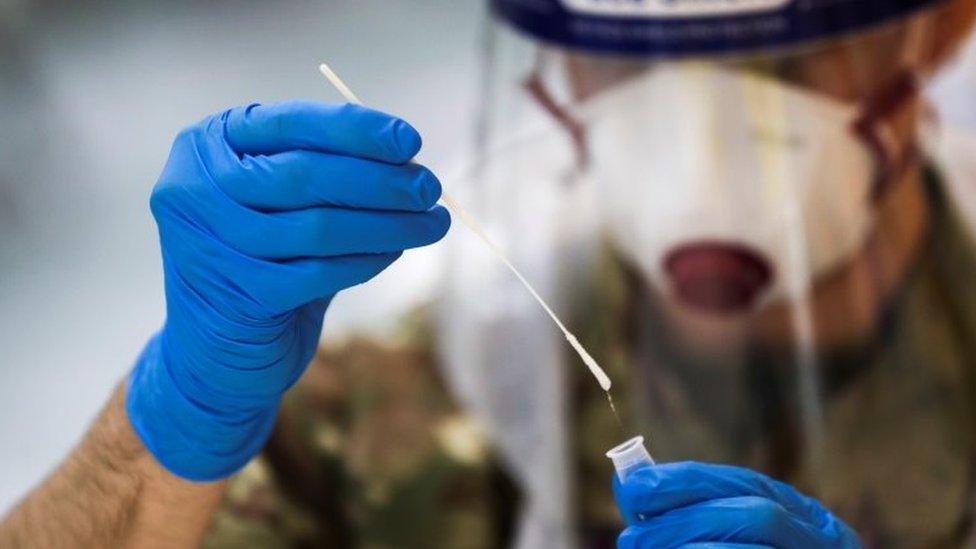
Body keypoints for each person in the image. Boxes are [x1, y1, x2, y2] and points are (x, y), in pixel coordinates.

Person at [3, 1, 976, 548]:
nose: (699, 151)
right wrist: (167, 423)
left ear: (938, 30)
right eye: (625, 61)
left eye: (776, 66)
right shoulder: (384, 423)